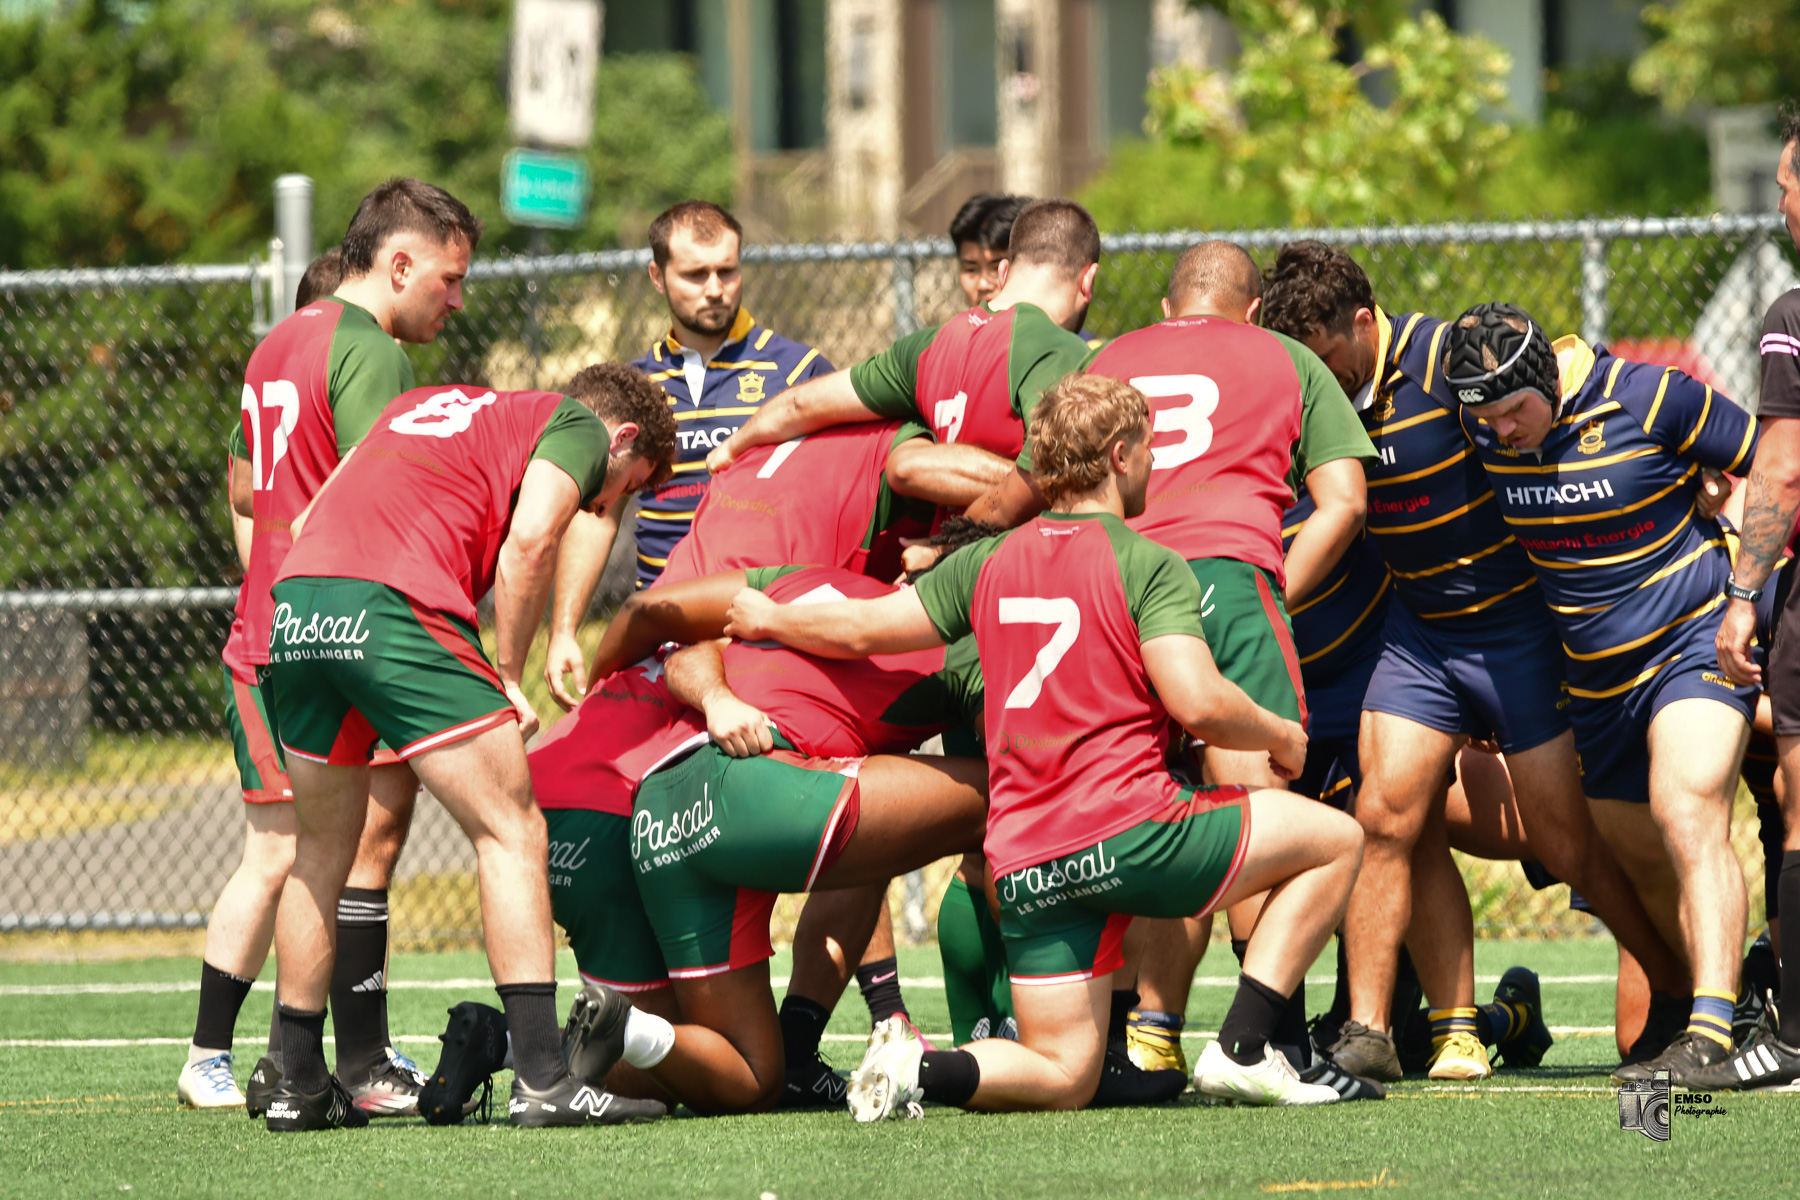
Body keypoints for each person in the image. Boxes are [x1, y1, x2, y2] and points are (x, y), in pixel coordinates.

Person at [726, 374, 1367, 1114]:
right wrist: (1282, 731)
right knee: (1338, 840)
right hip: (1135, 835)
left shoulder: (986, 560)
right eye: (1151, 450)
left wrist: (772, 620)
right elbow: (1198, 702)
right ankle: (1247, 1047)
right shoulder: (1148, 561)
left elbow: (866, 629)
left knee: (1063, 1074)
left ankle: (917, 1070)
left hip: (1028, 857)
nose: (1155, 464)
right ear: (1121, 455)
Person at [1260, 244, 1685, 1083]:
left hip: (1516, 632)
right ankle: (1370, 1030)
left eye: (1326, 355)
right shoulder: (1315, 391)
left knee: (1566, 840)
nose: (1317, 376)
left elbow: (1565, 373)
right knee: (1382, 815)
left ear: (1361, 321)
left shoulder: (1448, 363)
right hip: (1420, 636)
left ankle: (1679, 988)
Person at [259, 364, 677, 1131]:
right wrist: (507, 674)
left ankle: (297, 1084)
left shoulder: (420, 404)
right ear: (620, 440)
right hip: (389, 603)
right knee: (512, 830)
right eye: (616, 488)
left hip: (299, 602)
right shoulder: (579, 426)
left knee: (319, 852)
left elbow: (313, 510)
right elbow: (529, 545)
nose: (600, 501)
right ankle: (546, 1079)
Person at [183, 183, 482, 1117]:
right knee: (301, 849)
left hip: (291, 627)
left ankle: (343, 1060)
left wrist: (268, 578)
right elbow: (375, 495)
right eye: (449, 276)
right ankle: (257, 1061)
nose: (456, 298)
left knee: (344, 843)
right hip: (339, 631)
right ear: (399, 264)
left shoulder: (278, 340)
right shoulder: (369, 351)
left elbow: (244, 487)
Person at [1447, 302, 1759, 1087]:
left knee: (1685, 806)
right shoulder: (1484, 437)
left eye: (1513, 412)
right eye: (1484, 419)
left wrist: (1750, 583)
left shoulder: (1652, 398)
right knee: (1640, 859)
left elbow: (1770, 462)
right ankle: (1714, 1000)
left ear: (1548, 378)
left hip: (1692, 643)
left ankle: (1714, 1031)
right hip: (1592, 679)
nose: (1502, 433)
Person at [704, 198, 1098, 498]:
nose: (980, 282)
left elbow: (800, 405)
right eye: (968, 267)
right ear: (1088, 281)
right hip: (1015, 571)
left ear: (1004, 272)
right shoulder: (1065, 352)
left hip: (940, 576)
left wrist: (731, 447)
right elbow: (1054, 481)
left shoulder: (927, 345)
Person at [1709, 105, 1800, 1089]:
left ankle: (1795, 1036)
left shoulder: (1794, 319)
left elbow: (1780, 466)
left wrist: (1744, 593)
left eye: (1787, 184)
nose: (1779, 204)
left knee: (1797, 803)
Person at [951, 193, 1031, 308]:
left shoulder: (1053, 325)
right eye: (971, 270)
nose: (983, 285)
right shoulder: (952, 326)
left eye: (998, 268)